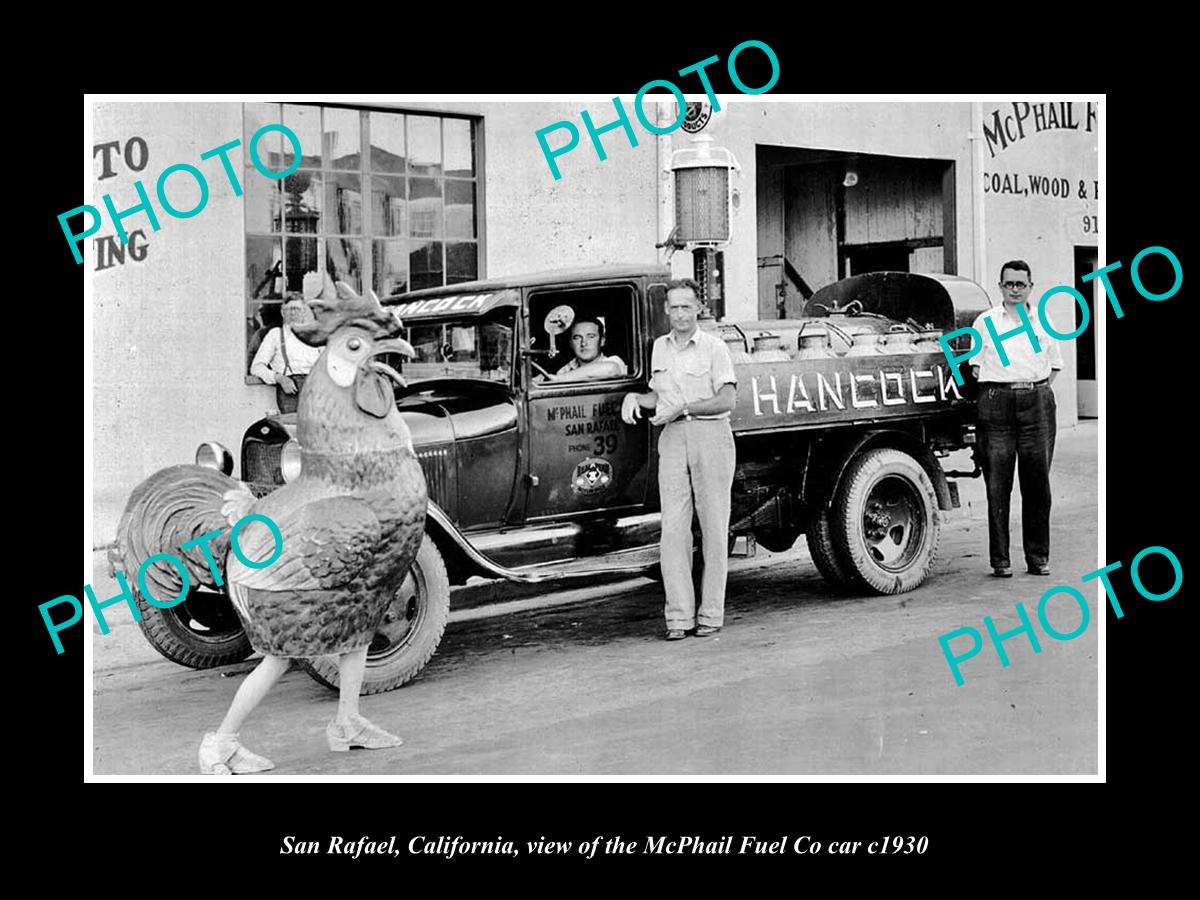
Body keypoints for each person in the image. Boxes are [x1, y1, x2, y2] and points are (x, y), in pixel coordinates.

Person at [621, 279, 737, 640]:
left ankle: (711, 615)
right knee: (673, 531)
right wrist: (635, 399)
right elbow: (659, 397)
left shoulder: (715, 348)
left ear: (698, 309)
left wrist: (684, 407)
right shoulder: (660, 348)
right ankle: (678, 618)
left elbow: (727, 400)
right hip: (672, 439)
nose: (681, 314)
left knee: (715, 528)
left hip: (710, 435)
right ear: (666, 310)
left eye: (687, 306)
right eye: (674, 307)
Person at [970, 260, 1063, 578]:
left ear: (1030, 287)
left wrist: (1031, 389)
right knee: (998, 483)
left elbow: (1055, 364)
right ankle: (1001, 560)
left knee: (1037, 484)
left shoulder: (1043, 320)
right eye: (1008, 284)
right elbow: (975, 366)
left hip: (1035, 403)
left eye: (1020, 284)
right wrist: (1005, 388)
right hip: (996, 404)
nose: (1014, 289)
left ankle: (1038, 558)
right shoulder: (985, 322)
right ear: (1000, 287)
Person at [249, 294, 322, 413]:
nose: (293, 313)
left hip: (316, 390)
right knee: (292, 429)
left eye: (297, 309)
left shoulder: (314, 335)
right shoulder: (275, 335)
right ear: (283, 313)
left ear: (304, 311)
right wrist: (280, 379)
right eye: (289, 309)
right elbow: (256, 367)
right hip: (291, 392)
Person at [539, 316, 627, 382]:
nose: (584, 343)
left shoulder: (614, 361)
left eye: (591, 337)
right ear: (570, 343)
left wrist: (559, 379)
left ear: (602, 341)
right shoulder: (564, 370)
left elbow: (610, 369)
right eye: (577, 338)